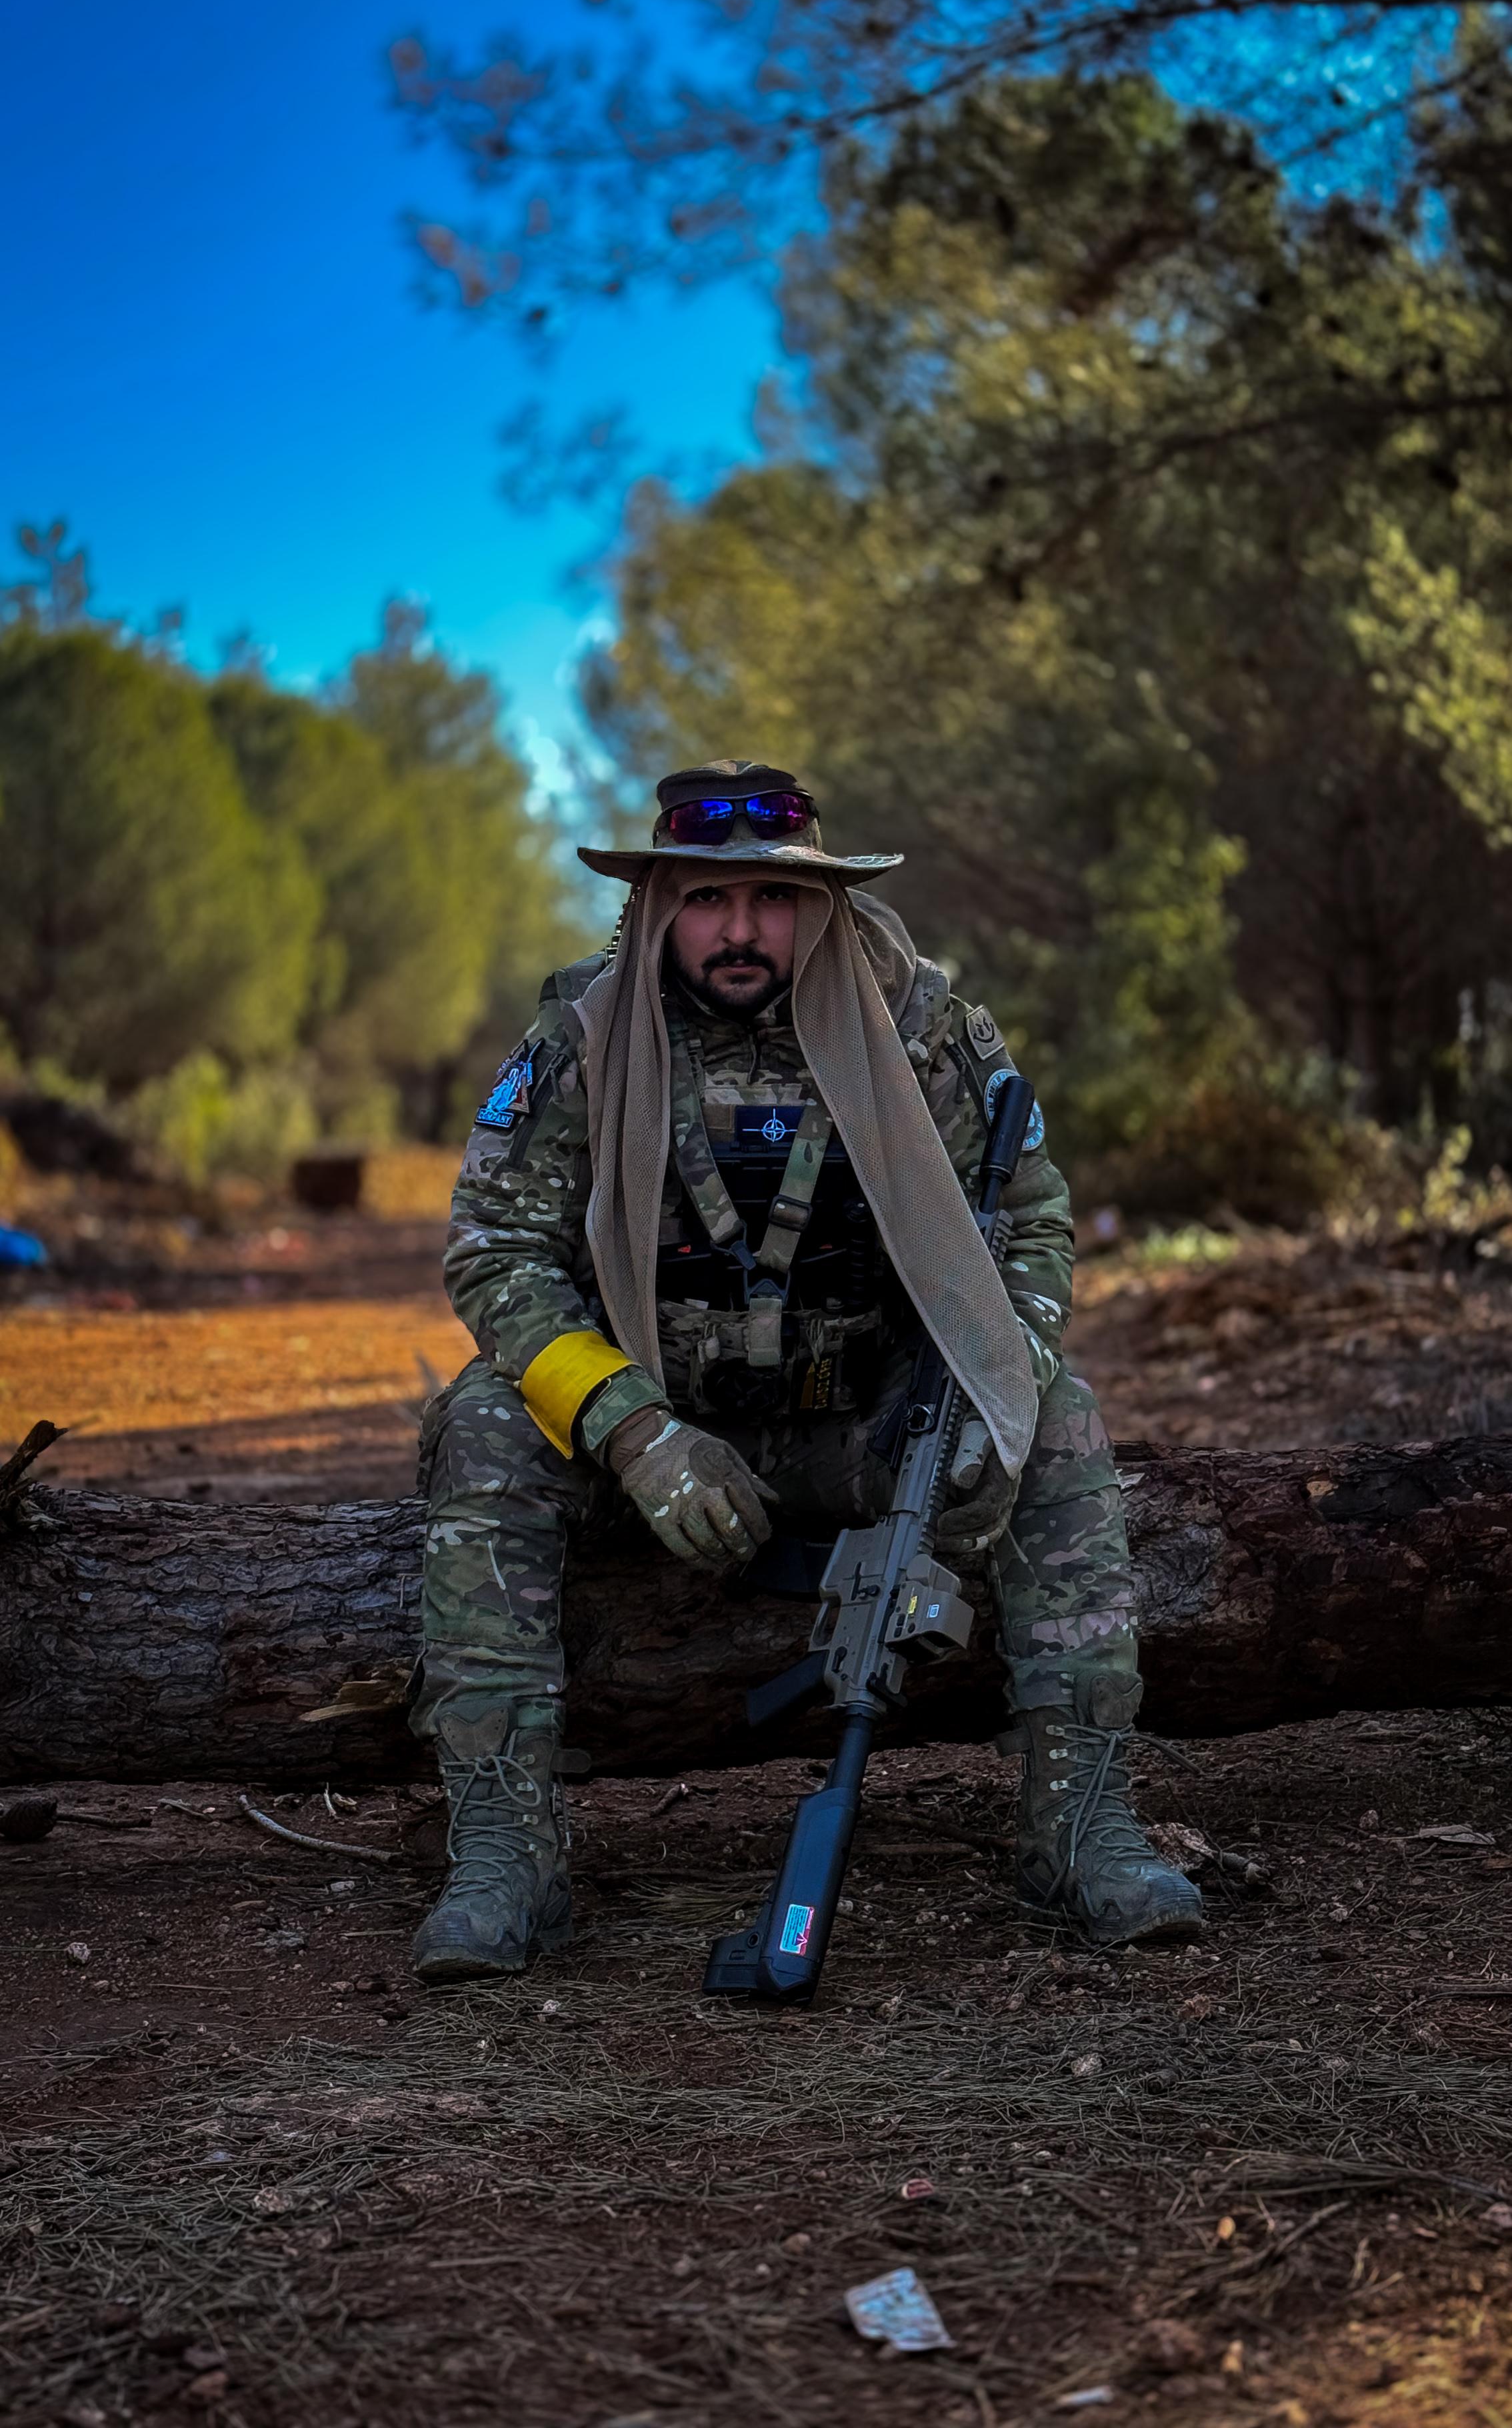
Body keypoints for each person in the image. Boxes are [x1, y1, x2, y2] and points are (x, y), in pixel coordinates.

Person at [411, 760, 1203, 1980]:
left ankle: (1084, 1826)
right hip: (660, 1435)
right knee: (484, 1422)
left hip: (863, 1427)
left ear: (816, 903)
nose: (741, 931)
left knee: (1057, 1416)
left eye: (773, 899)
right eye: (711, 900)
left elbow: (1034, 1222)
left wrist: (992, 1386)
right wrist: (633, 1430)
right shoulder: (582, 1032)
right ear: (661, 902)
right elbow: (495, 1252)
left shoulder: (920, 1023)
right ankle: (507, 1853)